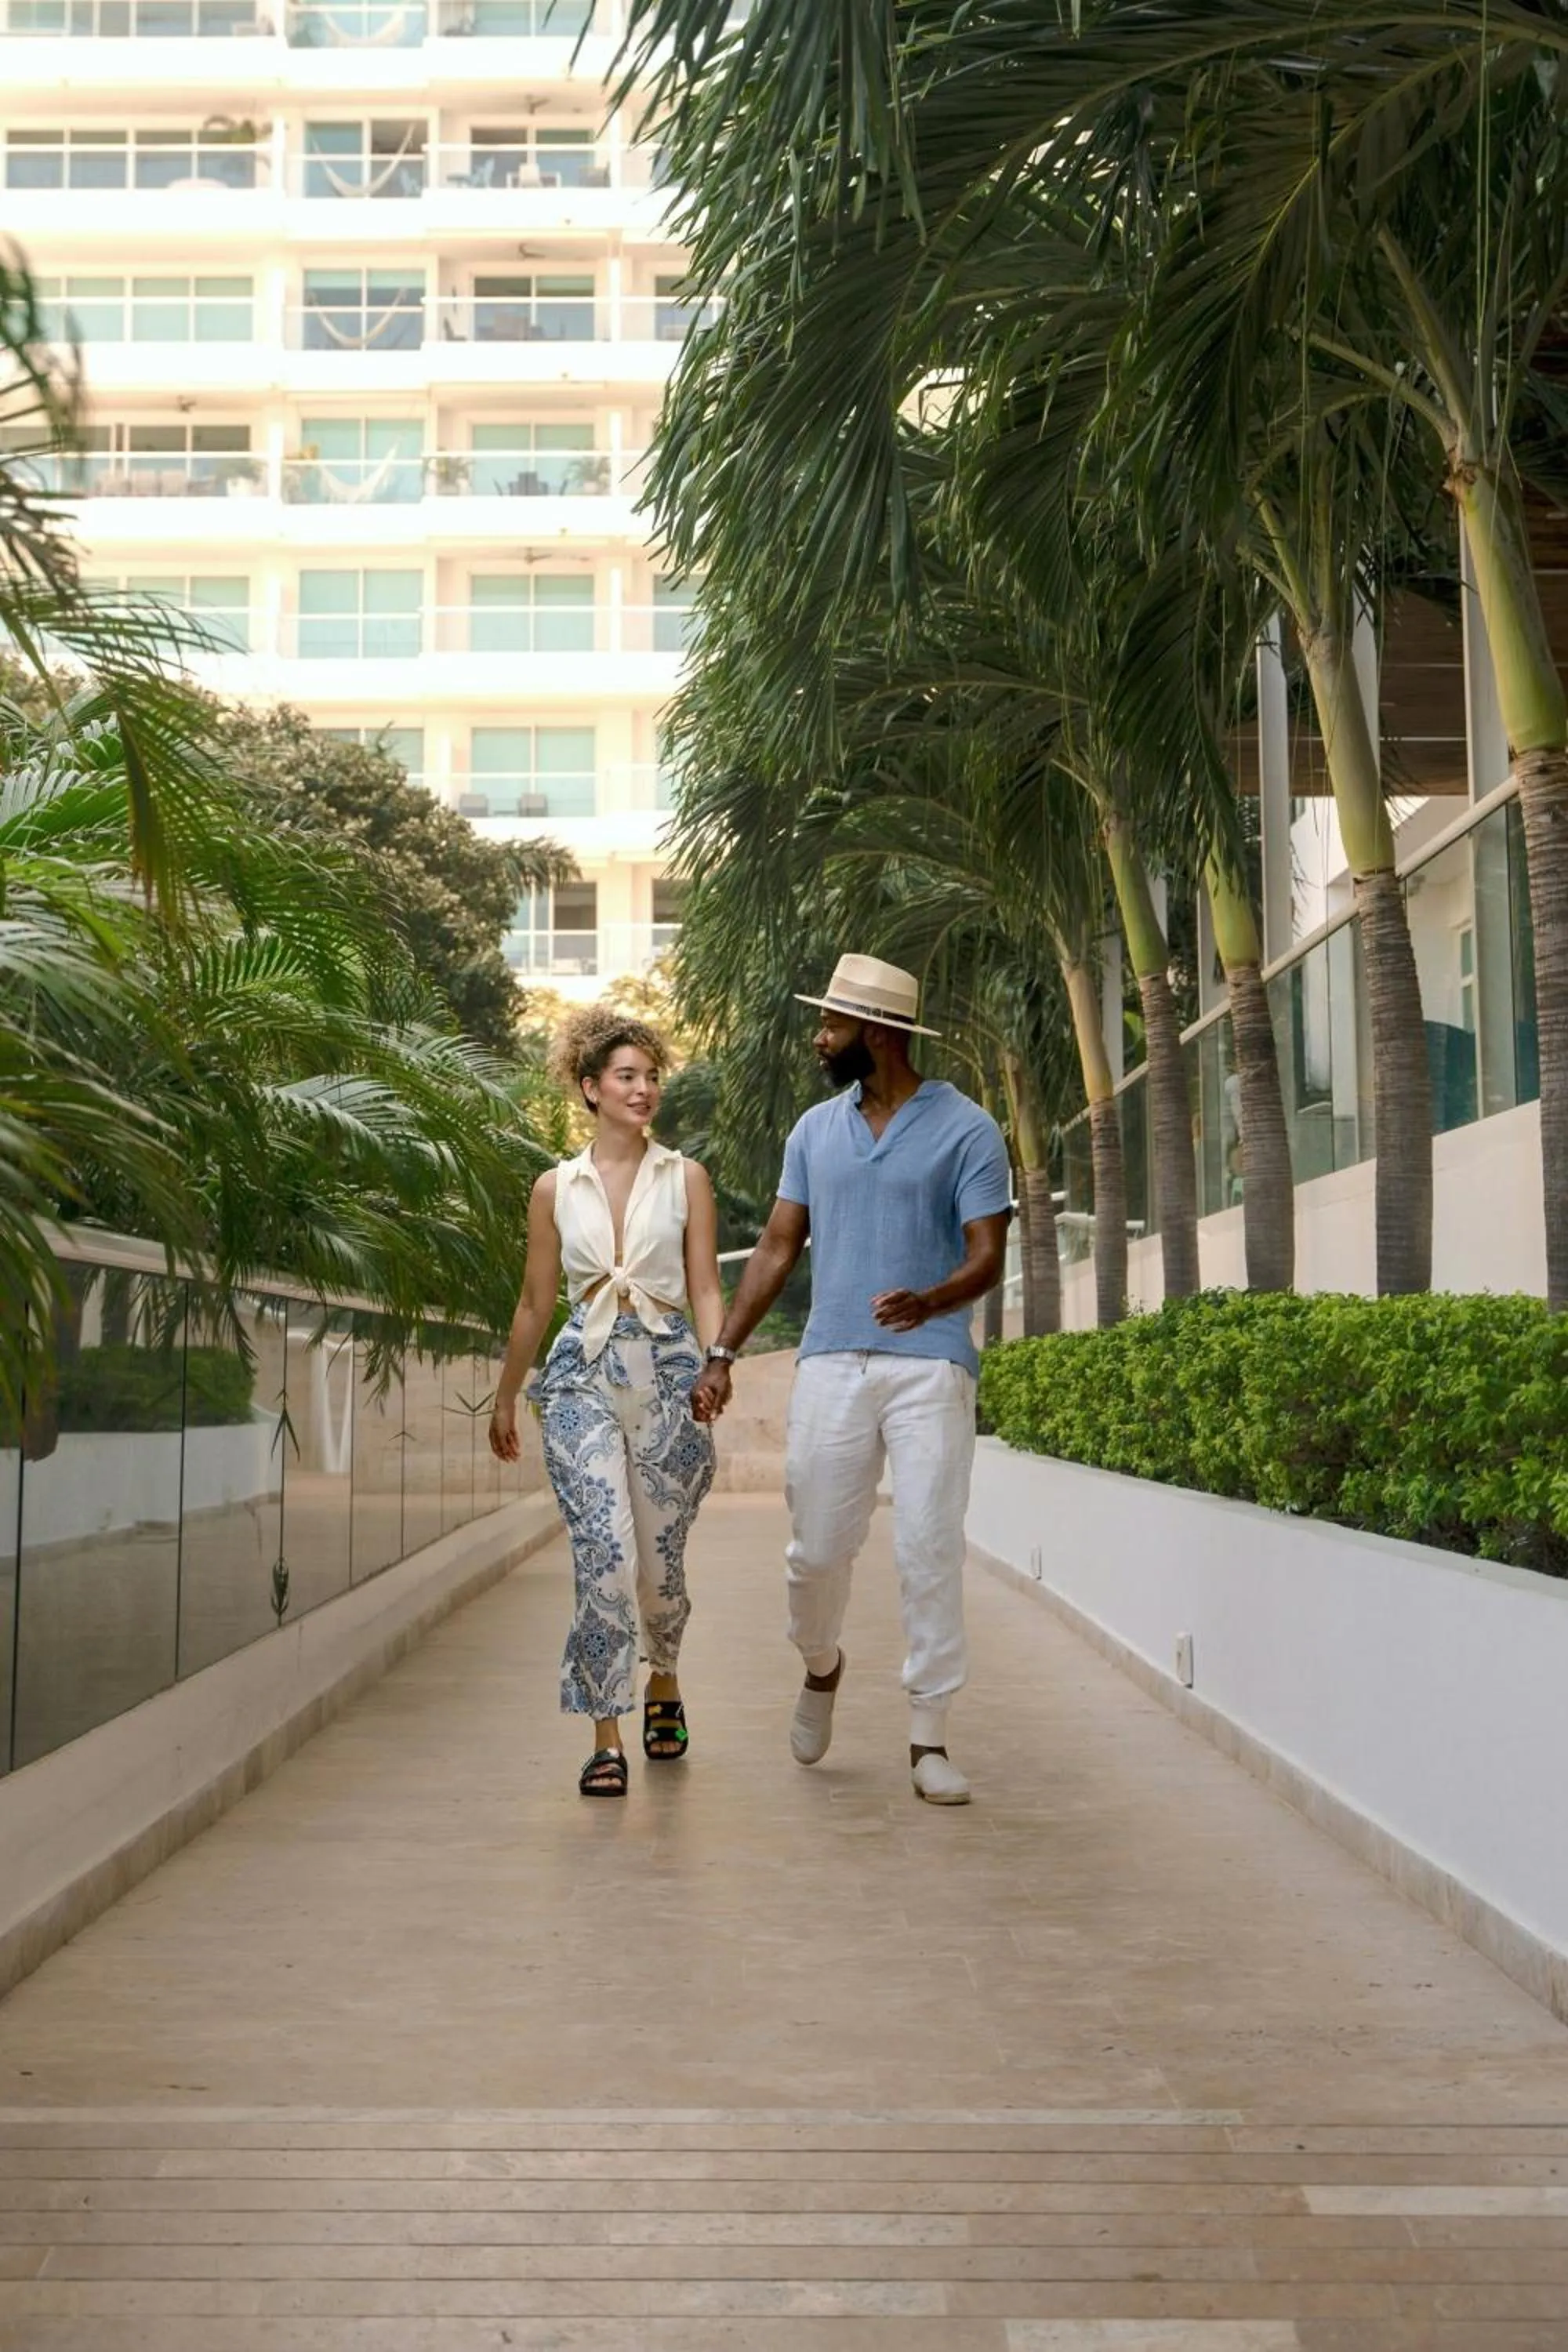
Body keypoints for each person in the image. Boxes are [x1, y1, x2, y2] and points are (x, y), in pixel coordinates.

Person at [689, 954, 1011, 1806]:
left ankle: (928, 1737)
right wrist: (722, 1353)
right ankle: (820, 1663)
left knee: (928, 1546)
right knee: (816, 1552)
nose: (819, 1038)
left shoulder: (968, 1129)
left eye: (831, 1025)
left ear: (877, 1033)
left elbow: (987, 1254)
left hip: (931, 1365)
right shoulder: (813, 1131)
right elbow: (776, 1245)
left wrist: (931, 1299)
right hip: (832, 1358)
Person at [489, 1007, 724, 1798]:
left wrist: (716, 1362)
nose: (643, 1088)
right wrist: (506, 1396)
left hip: (669, 1375)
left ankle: (665, 1677)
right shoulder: (554, 1187)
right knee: (604, 1554)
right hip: (579, 1375)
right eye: (627, 1076)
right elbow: (535, 1301)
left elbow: (704, 1286)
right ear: (591, 1088)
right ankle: (605, 1735)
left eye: (651, 1076)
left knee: (660, 1566)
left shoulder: (685, 1177)